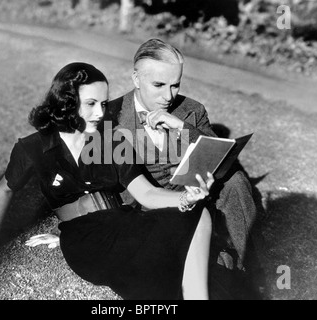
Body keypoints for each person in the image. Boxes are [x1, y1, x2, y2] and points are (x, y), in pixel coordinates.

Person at [0, 62, 215, 300]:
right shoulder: (34, 148)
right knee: (151, 261)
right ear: (67, 103)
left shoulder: (112, 140)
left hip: (124, 221)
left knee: (197, 215)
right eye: (91, 104)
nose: (100, 113)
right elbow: (4, 189)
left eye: (103, 104)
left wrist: (185, 198)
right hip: (86, 238)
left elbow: (146, 193)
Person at [105, 39, 259, 292]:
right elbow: (100, 181)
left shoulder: (191, 110)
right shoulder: (112, 116)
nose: (168, 96)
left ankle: (242, 269)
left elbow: (215, 152)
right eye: (158, 85)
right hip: (150, 204)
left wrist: (181, 127)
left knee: (236, 182)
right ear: (136, 79)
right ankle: (212, 260)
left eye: (175, 85)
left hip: (199, 193)